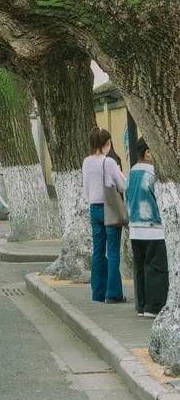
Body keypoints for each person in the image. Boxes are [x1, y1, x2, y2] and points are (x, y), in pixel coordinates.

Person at [82, 128, 127, 303]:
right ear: (106, 144)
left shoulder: (86, 162)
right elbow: (122, 184)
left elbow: (86, 189)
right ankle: (113, 294)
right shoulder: (108, 162)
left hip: (94, 209)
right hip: (110, 208)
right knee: (113, 251)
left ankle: (98, 294)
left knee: (98, 252)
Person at [127, 138, 168, 317]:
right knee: (156, 268)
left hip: (135, 228)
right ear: (148, 152)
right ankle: (154, 307)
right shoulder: (153, 174)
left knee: (140, 268)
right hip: (154, 228)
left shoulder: (131, 173)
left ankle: (141, 306)